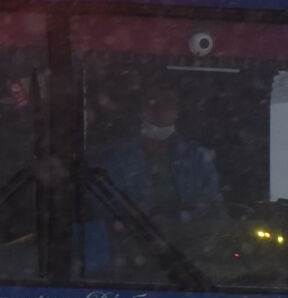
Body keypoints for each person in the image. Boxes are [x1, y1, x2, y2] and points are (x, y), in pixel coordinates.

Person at [95, 88, 223, 220]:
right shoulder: (117, 158)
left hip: (192, 238)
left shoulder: (197, 157)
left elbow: (214, 208)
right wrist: (128, 213)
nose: (159, 112)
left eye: (167, 106)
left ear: (176, 113)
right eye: (152, 105)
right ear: (141, 113)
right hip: (136, 237)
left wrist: (186, 220)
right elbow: (101, 205)